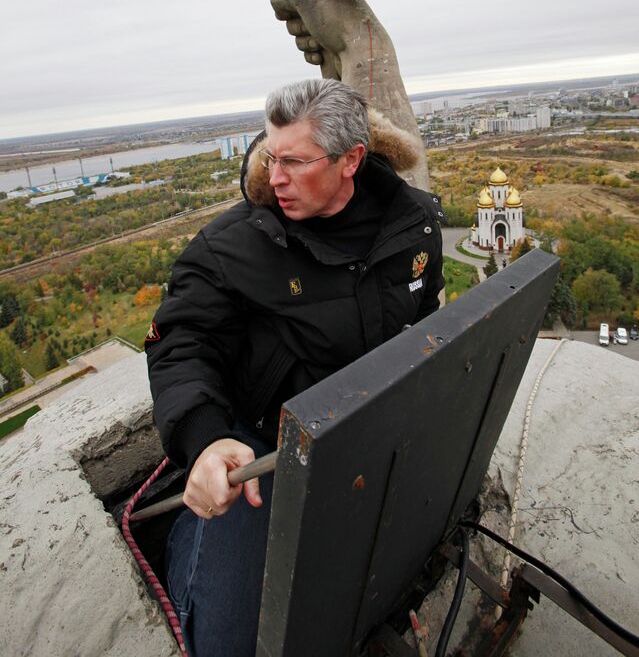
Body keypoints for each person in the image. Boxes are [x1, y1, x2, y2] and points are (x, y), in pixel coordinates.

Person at [146, 78, 445, 657]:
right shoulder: (233, 246)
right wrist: (205, 441)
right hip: (260, 461)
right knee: (230, 638)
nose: (274, 178)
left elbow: (422, 315)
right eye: (270, 158)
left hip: (366, 442)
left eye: (294, 161)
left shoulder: (415, 226)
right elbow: (181, 341)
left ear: (351, 160)